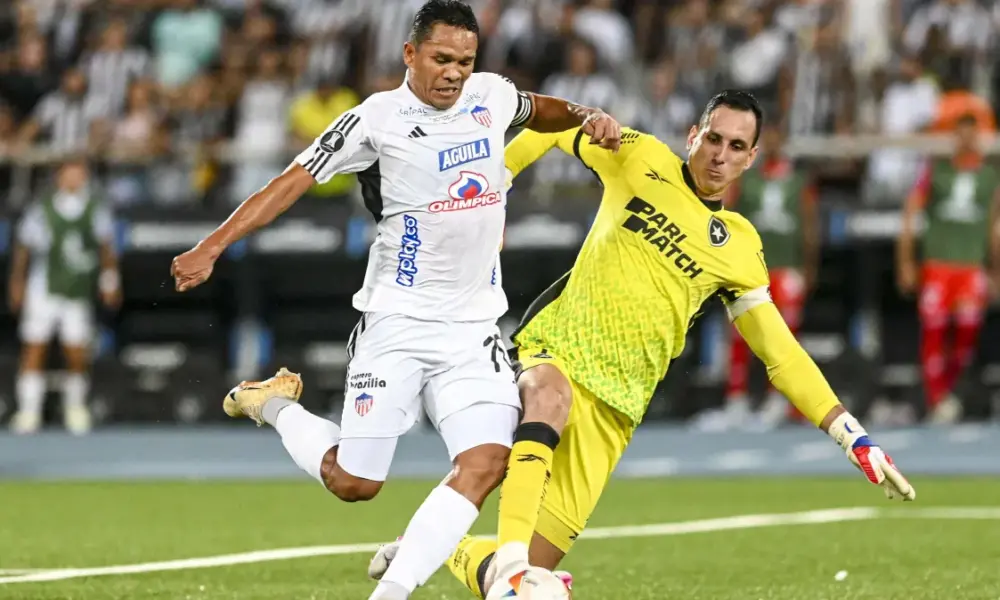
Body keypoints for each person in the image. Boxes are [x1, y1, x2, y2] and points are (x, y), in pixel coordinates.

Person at [370, 91, 916, 599]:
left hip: (618, 409)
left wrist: (851, 434)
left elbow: (781, 354)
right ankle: (511, 562)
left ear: (750, 159)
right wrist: (499, 182)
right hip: (557, 349)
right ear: (692, 135)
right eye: (714, 139)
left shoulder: (741, 249)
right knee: (547, 406)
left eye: (736, 147)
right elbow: (555, 130)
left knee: (525, 586)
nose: (720, 155)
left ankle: (439, 550)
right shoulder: (640, 158)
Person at [169, 2, 621, 599]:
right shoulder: (376, 118)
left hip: (472, 330)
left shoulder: (491, 96)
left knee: (487, 462)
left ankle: (392, 593)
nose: (454, 72)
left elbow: (540, 111)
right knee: (355, 482)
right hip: (397, 322)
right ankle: (273, 404)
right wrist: (213, 244)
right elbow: (292, 181)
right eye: (441, 59)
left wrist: (587, 115)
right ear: (410, 55)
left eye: (464, 60)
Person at [693, 123, 820, 431]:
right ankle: (736, 400)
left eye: (778, 137)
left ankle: (779, 399)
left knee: (783, 335)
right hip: (752, 268)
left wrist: (808, 266)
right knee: (739, 333)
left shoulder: (798, 180)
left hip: (786, 265)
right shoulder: (746, 178)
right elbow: (728, 216)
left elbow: (808, 224)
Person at [897, 113, 1000, 424]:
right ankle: (937, 398)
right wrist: (906, 261)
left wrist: (995, 270)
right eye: (961, 135)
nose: (967, 141)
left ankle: (951, 389)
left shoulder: (989, 176)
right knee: (934, 329)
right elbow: (911, 211)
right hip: (938, 263)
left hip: (970, 265)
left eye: (972, 135)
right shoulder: (936, 171)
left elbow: (994, 224)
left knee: (967, 331)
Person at [8, 158, 121, 435]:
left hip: (77, 289)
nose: (74, 178)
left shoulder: (95, 208)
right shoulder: (42, 209)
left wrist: (110, 280)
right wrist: (17, 282)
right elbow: (24, 248)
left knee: (76, 351)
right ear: (59, 177)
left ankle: (75, 407)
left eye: (79, 172)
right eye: (69, 173)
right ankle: (29, 410)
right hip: (43, 287)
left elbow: (106, 247)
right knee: (35, 347)